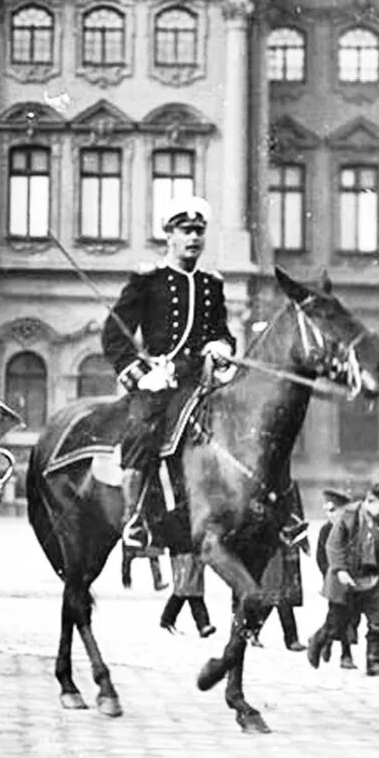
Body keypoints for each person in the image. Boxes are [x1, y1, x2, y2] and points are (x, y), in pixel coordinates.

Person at [102, 195, 236, 549]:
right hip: (160, 379)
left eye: (199, 231)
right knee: (141, 430)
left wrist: (221, 347)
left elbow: (221, 331)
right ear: (169, 235)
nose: (193, 238)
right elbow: (114, 335)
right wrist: (141, 373)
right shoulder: (149, 279)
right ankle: (133, 520)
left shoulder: (212, 283)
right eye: (185, 230)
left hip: (202, 379)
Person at [312, 480, 379, 676]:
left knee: (377, 622)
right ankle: (318, 640)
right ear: (370, 500)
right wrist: (340, 570)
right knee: (338, 623)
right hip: (348, 579)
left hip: (374, 580)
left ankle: (374, 663)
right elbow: (333, 545)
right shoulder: (349, 516)